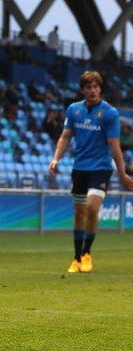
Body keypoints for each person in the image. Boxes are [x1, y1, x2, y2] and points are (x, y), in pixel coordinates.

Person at [49, 71, 133, 274]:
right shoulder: (73, 110)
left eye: (96, 86)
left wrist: (121, 174)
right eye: (88, 87)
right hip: (79, 168)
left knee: (92, 207)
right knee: (79, 214)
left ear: (100, 89)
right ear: (83, 90)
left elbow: (114, 145)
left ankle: (87, 253)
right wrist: (55, 158)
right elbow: (65, 137)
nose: (92, 90)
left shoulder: (110, 113)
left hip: (101, 168)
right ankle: (77, 258)